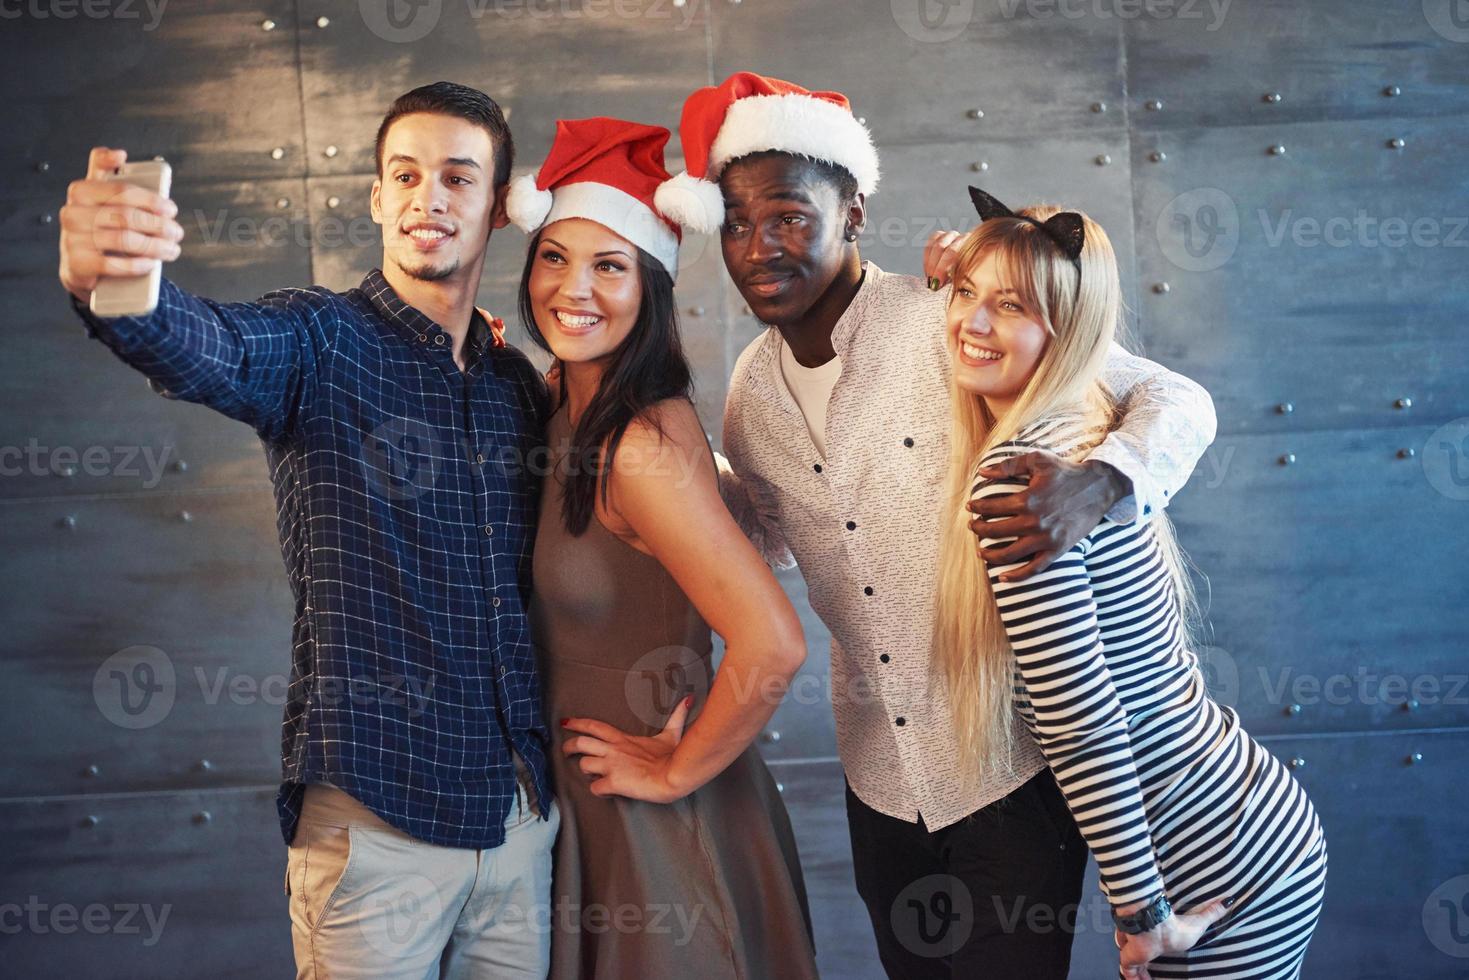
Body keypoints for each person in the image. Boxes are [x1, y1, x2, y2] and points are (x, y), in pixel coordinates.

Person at [653, 71, 1221, 978]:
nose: (759, 247)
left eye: (790, 216)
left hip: (1006, 771)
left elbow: (1172, 396)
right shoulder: (750, 396)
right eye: (735, 222)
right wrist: (663, 466)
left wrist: (1105, 480)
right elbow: (767, 543)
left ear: (854, 213)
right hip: (876, 779)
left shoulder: (953, 321)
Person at [58, 82, 559, 978]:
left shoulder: (514, 386)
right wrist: (114, 284)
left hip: (519, 828)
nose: (427, 197)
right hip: (377, 832)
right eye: (403, 175)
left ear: (499, 206)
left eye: (457, 177)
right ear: (375, 198)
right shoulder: (319, 341)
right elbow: (204, 342)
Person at [935, 187, 1327, 979]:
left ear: (1066, 330)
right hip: (1247, 824)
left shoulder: (1022, 487)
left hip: (1213, 867)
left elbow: (1080, 719)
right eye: (965, 294)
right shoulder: (1087, 418)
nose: (970, 323)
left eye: (1007, 306)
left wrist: (1143, 914)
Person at [508, 116, 819, 979]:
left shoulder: (637, 442)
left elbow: (773, 644)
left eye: (609, 265)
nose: (574, 288)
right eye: (554, 256)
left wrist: (676, 772)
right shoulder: (561, 404)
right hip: (585, 809)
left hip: (653, 827)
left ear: (649, 285)